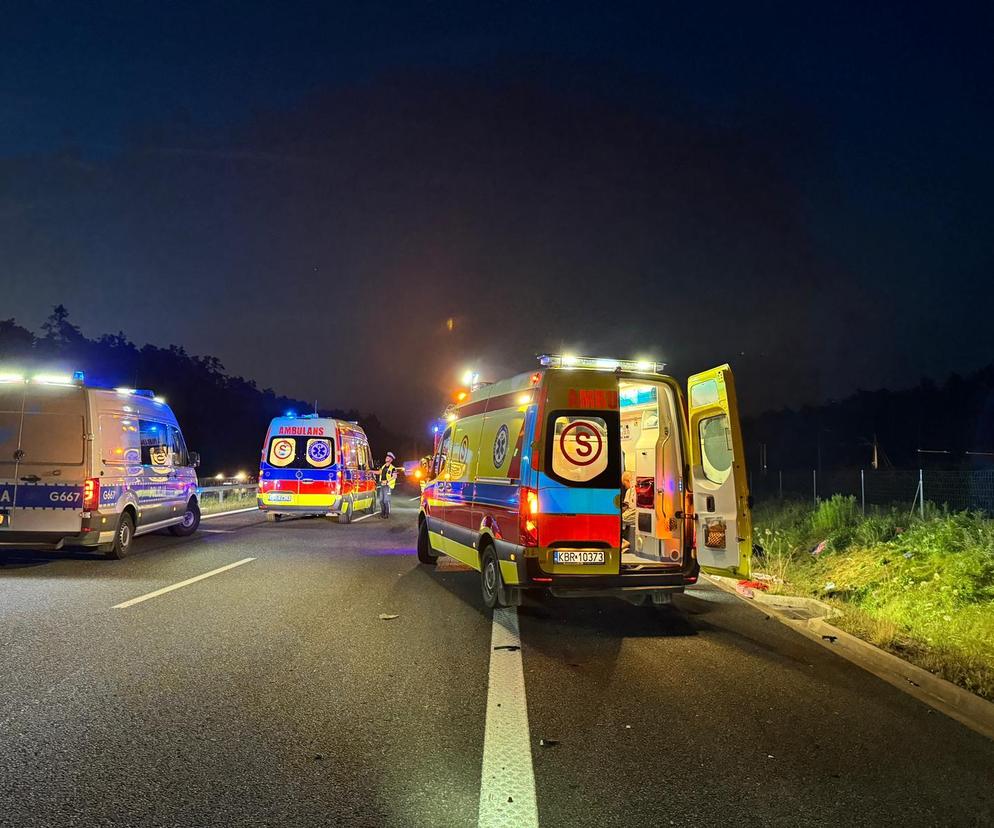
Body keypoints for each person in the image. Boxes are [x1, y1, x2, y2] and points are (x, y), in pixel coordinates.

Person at [377, 452, 399, 518]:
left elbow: (395, 476)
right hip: (382, 485)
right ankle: (382, 512)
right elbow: (379, 472)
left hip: (388, 486)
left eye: (388, 457)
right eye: (386, 457)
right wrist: (370, 471)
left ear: (391, 460)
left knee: (386, 500)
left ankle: (386, 514)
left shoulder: (393, 468)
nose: (386, 458)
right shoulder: (383, 466)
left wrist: (387, 481)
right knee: (381, 500)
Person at [621, 470, 637, 553]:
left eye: (625, 484)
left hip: (632, 514)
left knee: (618, 520)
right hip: (635, 514)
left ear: (627, 481)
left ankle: (623, 542)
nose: (625, 487)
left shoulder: (630, 491)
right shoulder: (636, 488)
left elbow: (625, 506)